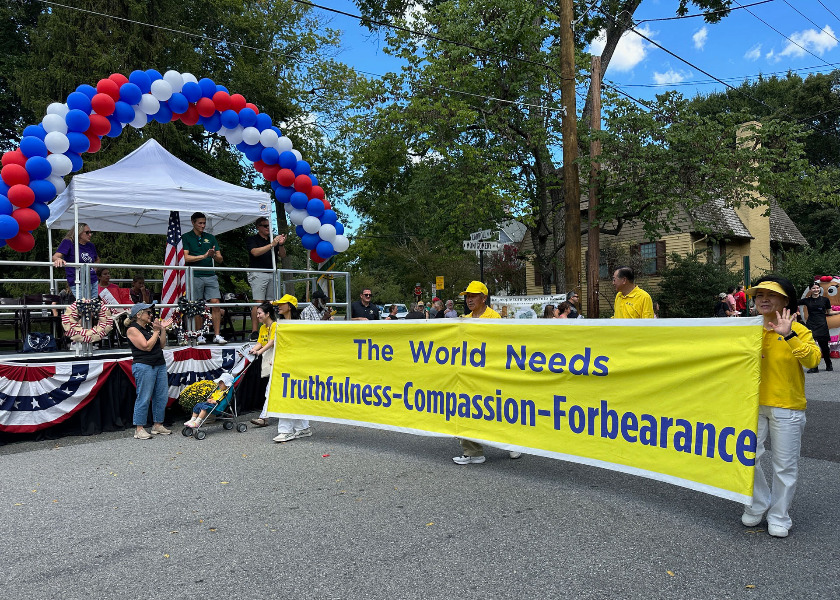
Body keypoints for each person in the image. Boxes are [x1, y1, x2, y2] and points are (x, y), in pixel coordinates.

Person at [741, 276, 820, 538]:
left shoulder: (799, 329)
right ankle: (757, 503)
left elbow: (812, 360)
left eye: (770, 294)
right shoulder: (747, 330)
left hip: (787, 406)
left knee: (784, 466)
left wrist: (789, 335)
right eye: (758, 295)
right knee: (746, 458)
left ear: (785, 301)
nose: (763, 299)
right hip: (751, 405)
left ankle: (779, 515)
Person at [453, 281, 520, 464]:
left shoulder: (494, 318)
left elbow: (499, 347)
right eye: (467, 296)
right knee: (466, 408)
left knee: (496, 410)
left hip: (490, 373)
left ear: (484, 298)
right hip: (470, 374)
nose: (469, 299)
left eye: (473, 296)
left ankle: (512, 444)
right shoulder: (464, 319)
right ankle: (473, 452)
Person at [126, 302, 173, 439]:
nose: (151, 315)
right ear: (139, 315)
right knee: (144, 397)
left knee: (161, 396)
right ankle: (139, 428)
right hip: (144, 365)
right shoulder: (132, 329)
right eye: (148, 312)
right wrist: (157, 331)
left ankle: (157, 425)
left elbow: (162, 345)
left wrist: (162, 330)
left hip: (159, 364)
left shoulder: (148, 328)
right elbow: (146, 346)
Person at [271, 294, 312, 442]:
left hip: (295, 365)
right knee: (291, 396)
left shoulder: (299, 325)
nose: (279, 306)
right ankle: (302, 428)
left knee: (288, 396)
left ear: (290, 306)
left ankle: (286, 430)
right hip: (284, 365)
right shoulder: (280, 323)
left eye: (282, 304)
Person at [182, 212, 226, 344]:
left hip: (210, 275)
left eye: (204, 223)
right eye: (200, 223)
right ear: (193, 222)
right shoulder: (186, 237)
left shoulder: (211, 237)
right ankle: (200, 334)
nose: (202, 226)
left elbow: (220, 259)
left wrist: (212, 255)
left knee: (216, 303)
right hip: (194, 275)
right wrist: (204, 256)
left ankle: (217, 335)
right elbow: (185, 258)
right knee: (197, 306)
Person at [247, 217, 286, 340]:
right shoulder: (253, 239)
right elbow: (254, 252)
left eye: (269, 225)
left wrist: (280, 245)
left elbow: (283, 255)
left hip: (271, 273)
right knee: (258, 303)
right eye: (265, 226)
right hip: (258, 273)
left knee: (271, 303)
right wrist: (271, 245)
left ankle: (270, 328)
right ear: (258, 227)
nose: (268, 228)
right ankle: (254, 331)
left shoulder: (272, 240)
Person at [249, 301, 279, 428]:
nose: (258, 316)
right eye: (257, 314)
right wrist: (253, 350)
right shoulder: (262, 328)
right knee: (273, 387)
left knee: (270, 388)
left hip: (275, 358)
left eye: (260, 313)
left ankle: (264, 417)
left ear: (267, 314)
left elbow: (271, 342)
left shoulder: (275, 325)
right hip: (268, 358)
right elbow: (260, 342)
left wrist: (259, 352)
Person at [797, 281, 837, 373]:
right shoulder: (807, 300)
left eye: (817, 288)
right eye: (814, 288)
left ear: (819, 289)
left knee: (824, 347)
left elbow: (829, 312)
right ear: (810, 290)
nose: (816, 290)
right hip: (811, 324)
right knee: (812, 346)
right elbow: (793, 303)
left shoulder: (825, 300)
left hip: (822, 324)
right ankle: (814, 367)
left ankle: (828, 364)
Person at [52, 223, 99, 297]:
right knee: (83, 305)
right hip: (77, 280)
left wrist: (93, 270)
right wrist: (58, 259)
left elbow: (97, 259)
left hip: (92, 280)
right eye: (87, 232)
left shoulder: (90, 245)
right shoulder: (68, 242)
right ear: (79, 232)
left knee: (93, 305)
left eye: (90, 232)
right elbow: (55, 256)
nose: (90, 235)